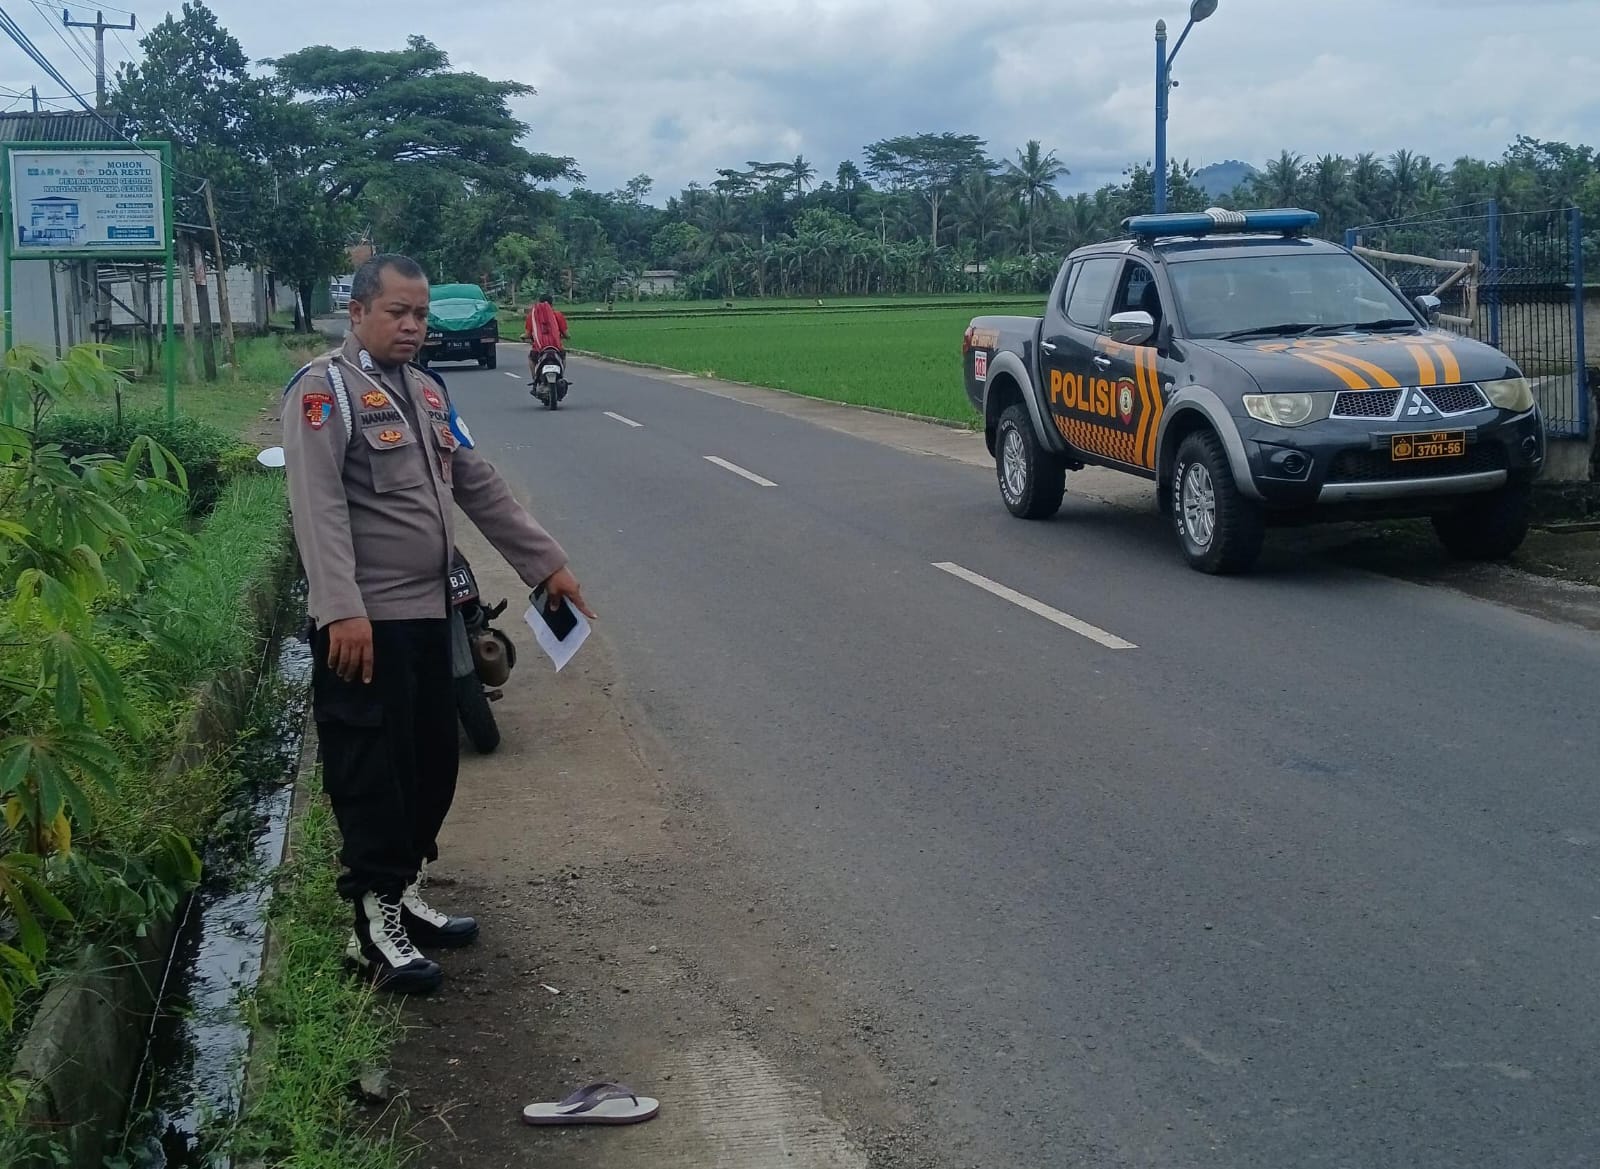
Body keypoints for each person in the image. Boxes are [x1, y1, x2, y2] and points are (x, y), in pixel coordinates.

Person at [282, 253, 596, 995]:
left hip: (432, 616)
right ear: (357, 311)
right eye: (399, 312)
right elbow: (317, 505)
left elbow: (479, 485)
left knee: (432, 763)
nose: (415, 326)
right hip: (367, 626)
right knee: (374, 775)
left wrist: (546, 564)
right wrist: (341, 608)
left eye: (421, 314)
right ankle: (372, 923)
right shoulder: (324, 393)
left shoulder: (426, 393)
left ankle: (405, 892)